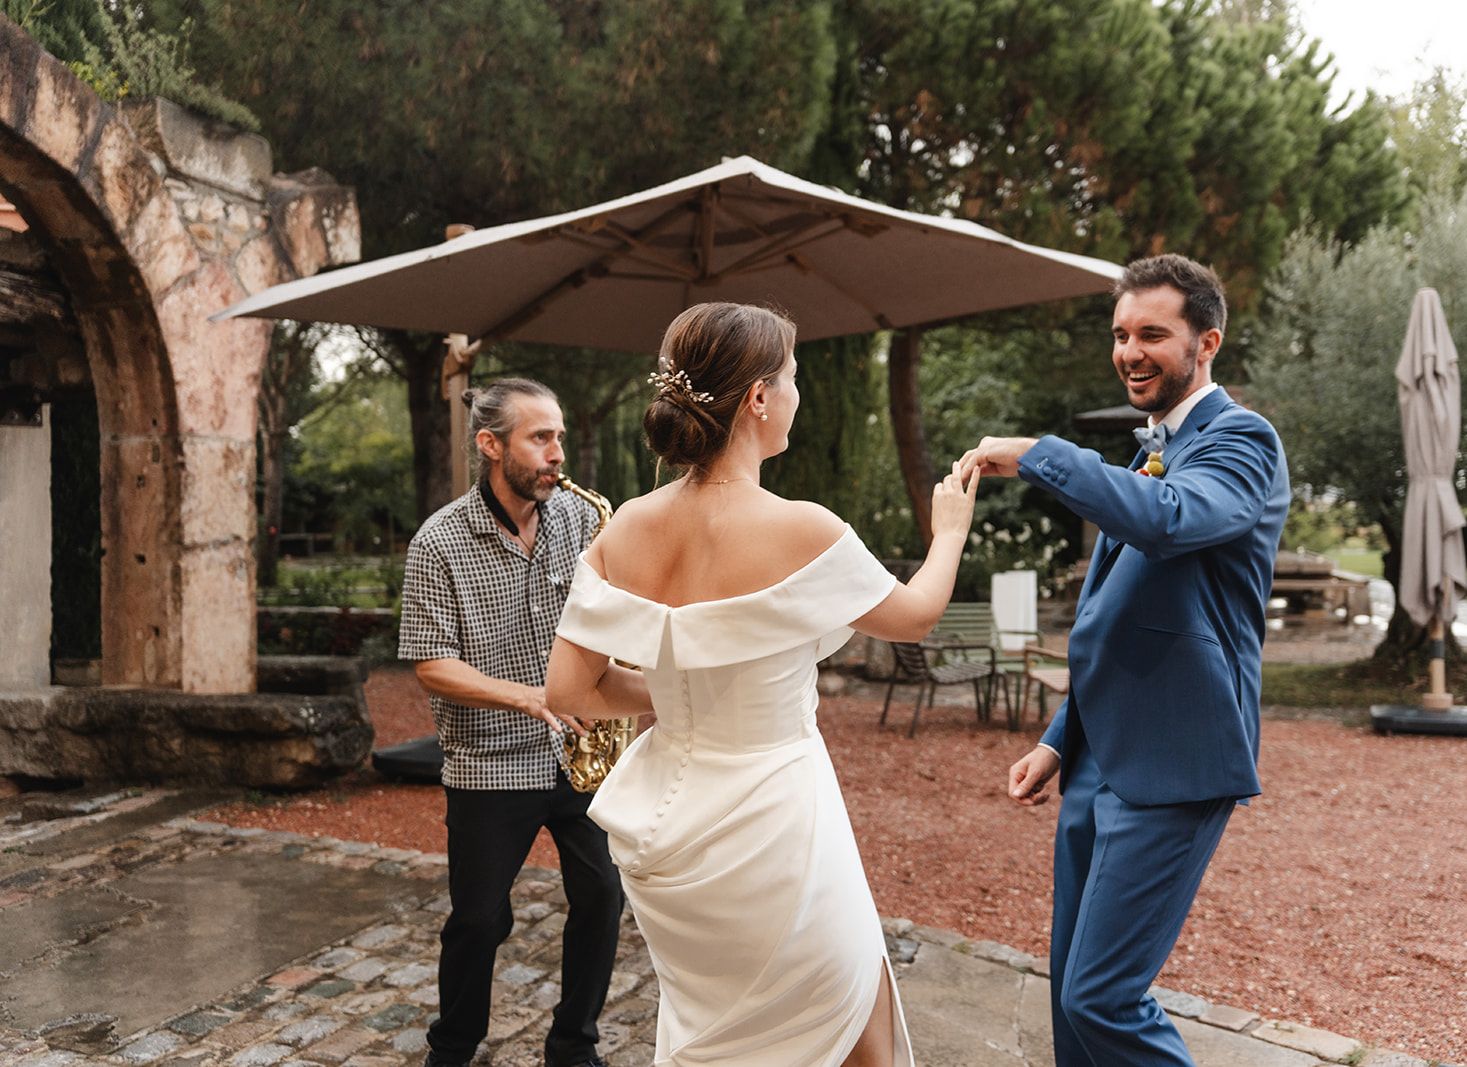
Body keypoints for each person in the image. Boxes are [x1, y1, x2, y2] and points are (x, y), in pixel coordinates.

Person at [544, 302, 980, 1067]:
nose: (798, 395)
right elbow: (915, 617)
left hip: (671, 830)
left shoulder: (626, 528)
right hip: (780, 821)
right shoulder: (802, 527)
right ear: (757, 397)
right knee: (859, 1027)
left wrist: (673, 696)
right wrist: (949, 532)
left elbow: (568, 691)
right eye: (794, 378)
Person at [959, 254, 1290, 1067]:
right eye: (1119, 334)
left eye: (1152, 334)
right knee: (1070, 1000)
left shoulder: (1242, 440)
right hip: (1099, 754)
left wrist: (1042, 453)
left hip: (1177, 758)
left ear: (1206, 343)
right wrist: (1058, 738)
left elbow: (1170, 519)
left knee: (1101, 997)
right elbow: (1120, 620)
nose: (1130, 352)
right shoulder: (1151, 451)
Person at [398, 378, 627, 1067]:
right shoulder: (437, 542)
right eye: (541, 438)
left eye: (559, 436)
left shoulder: (581, 518)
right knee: (478, 919)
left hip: (577, 752)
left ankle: (573, 1046)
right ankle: (453, 1047)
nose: (558, 452)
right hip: (489, 761)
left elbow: (607, 621)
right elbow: (432, 666)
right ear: (491, 445)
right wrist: (532, 697)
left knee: (603, 894)